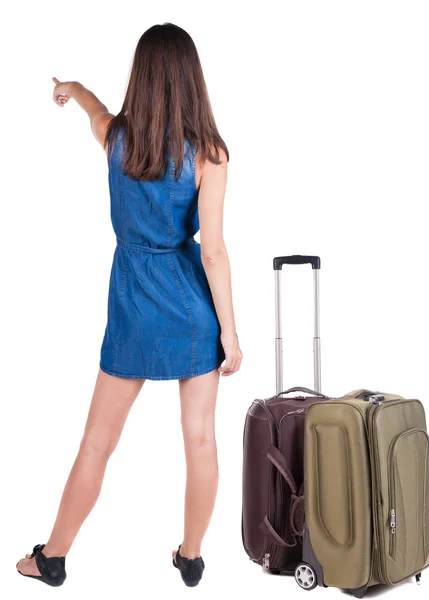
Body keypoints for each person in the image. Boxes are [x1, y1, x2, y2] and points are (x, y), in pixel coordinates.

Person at [16, 22, 242, 588]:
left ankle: (52, 557)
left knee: (97, 442)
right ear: (192, 80)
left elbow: (94, 109)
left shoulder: (117, 138)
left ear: (140, 78)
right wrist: (231, 336)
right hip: (191, 309)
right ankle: (191, 557)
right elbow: (212, 252)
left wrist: (71, 88)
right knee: (201, 441)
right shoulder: (210, 154)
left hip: (134, 308)